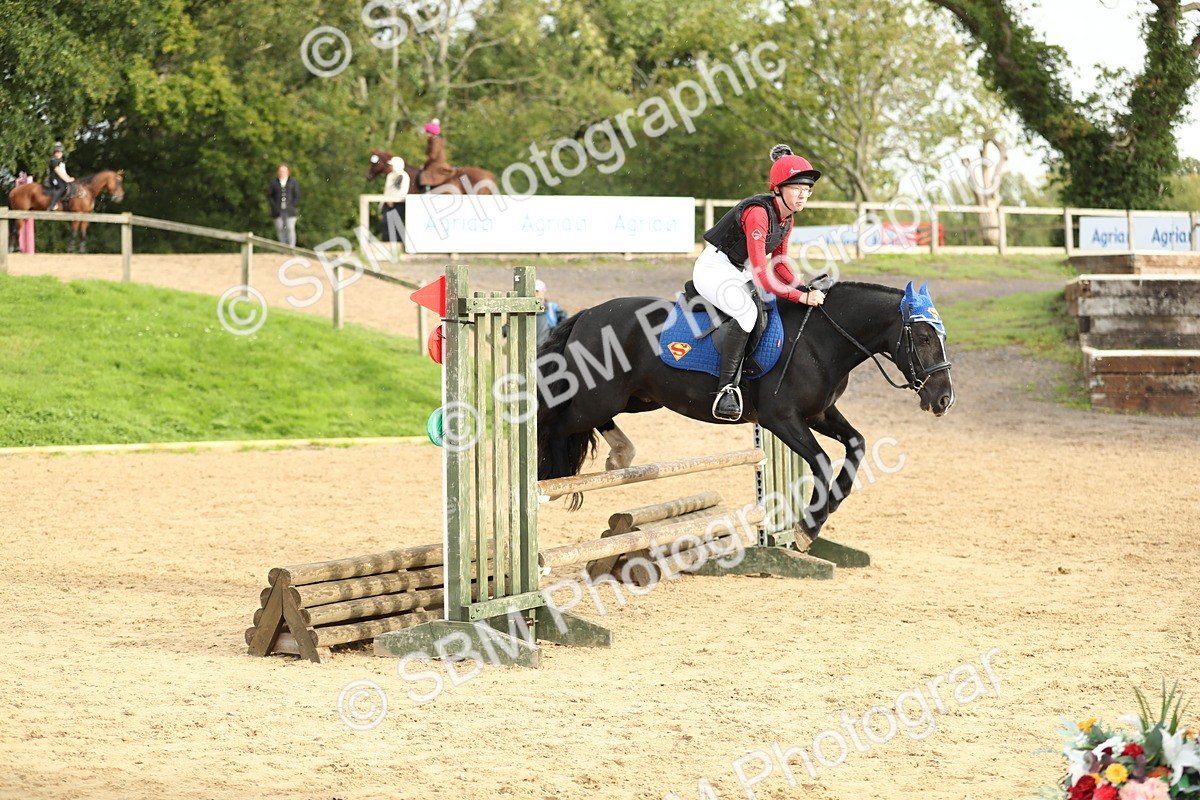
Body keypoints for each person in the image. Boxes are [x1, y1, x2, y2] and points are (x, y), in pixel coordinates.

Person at [694, 144, 826, 421]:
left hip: (737, 270)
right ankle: (726, 389)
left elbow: (780, 266)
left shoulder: (787, 219)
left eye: (807, 189)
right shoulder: (759, 213)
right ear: (778, 188)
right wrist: (800, 298)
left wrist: (802, 286)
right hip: (714, 268)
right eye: (797, 188)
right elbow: (761, 274)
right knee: (748, 312)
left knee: (771, 308)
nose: (804, 194)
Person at [267, 163, 300, 246]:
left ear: (288, 172)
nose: (282, 173)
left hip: (290, 210)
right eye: (281, 171)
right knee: (280, 228)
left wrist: (292, 205)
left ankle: (291, 246)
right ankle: (283, 246)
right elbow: (269, 195)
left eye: (284, 171)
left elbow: (297, 195)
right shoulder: (274, 183)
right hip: (278, 210)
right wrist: (274, 206)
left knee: (290, 228)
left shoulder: (292, 182)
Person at [418, 119, 455, 191]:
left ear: (430, 133)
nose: (425, 135)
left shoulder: (435, 142)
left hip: (437, 165)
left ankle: (426, 193)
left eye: (426, 133)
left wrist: (425, 164)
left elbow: (433, 156)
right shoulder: (435, 140)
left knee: (425, 176)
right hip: (437, 163)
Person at [44, 143, 75, 212]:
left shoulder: (61, 162)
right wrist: (66, 179)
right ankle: (52, 204)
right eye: (57, 152)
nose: (59, 154)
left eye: (60, 152)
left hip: (60, 178)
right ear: (54, 153)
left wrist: (69, 178)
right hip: (54, 178)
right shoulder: (53, 161)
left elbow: (63, 172)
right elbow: (58, 172)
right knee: (60, 188)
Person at [535, 279, 567, 344]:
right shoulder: (524, 311)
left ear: (543, 292)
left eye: (537, 291)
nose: (534, 294)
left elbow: (566, 323)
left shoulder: (552, 308)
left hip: (546, 350)